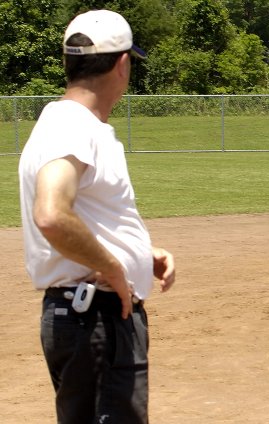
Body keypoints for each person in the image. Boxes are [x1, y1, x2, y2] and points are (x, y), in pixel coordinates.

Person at [18, 10, 176, 424]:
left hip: (89, 318)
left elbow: (78, 212)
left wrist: (138, 253)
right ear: (122, 64)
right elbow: (51, 214)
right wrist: (113, 266)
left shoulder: (67, 123)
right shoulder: (74, 126)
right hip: (96, 318)